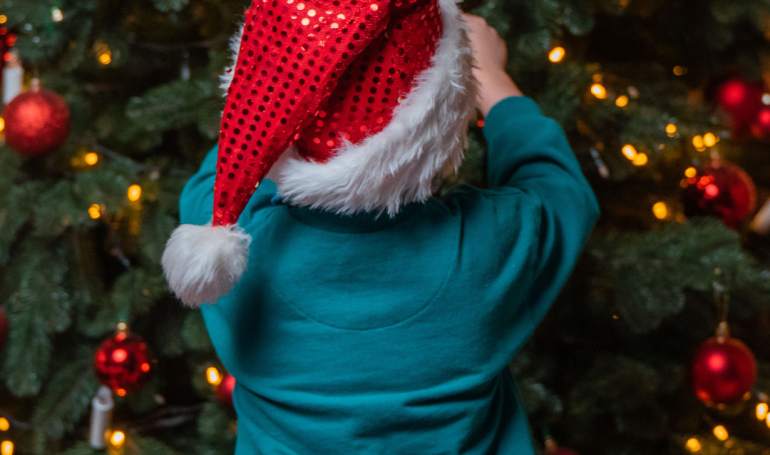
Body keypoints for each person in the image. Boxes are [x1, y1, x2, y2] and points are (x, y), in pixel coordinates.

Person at [164, 2, 599, 453]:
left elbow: (229, 169)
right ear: (444, 116)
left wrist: (281, 87)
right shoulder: (485, 246)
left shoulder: (232, 247)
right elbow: (560, 187)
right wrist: (493, 80)